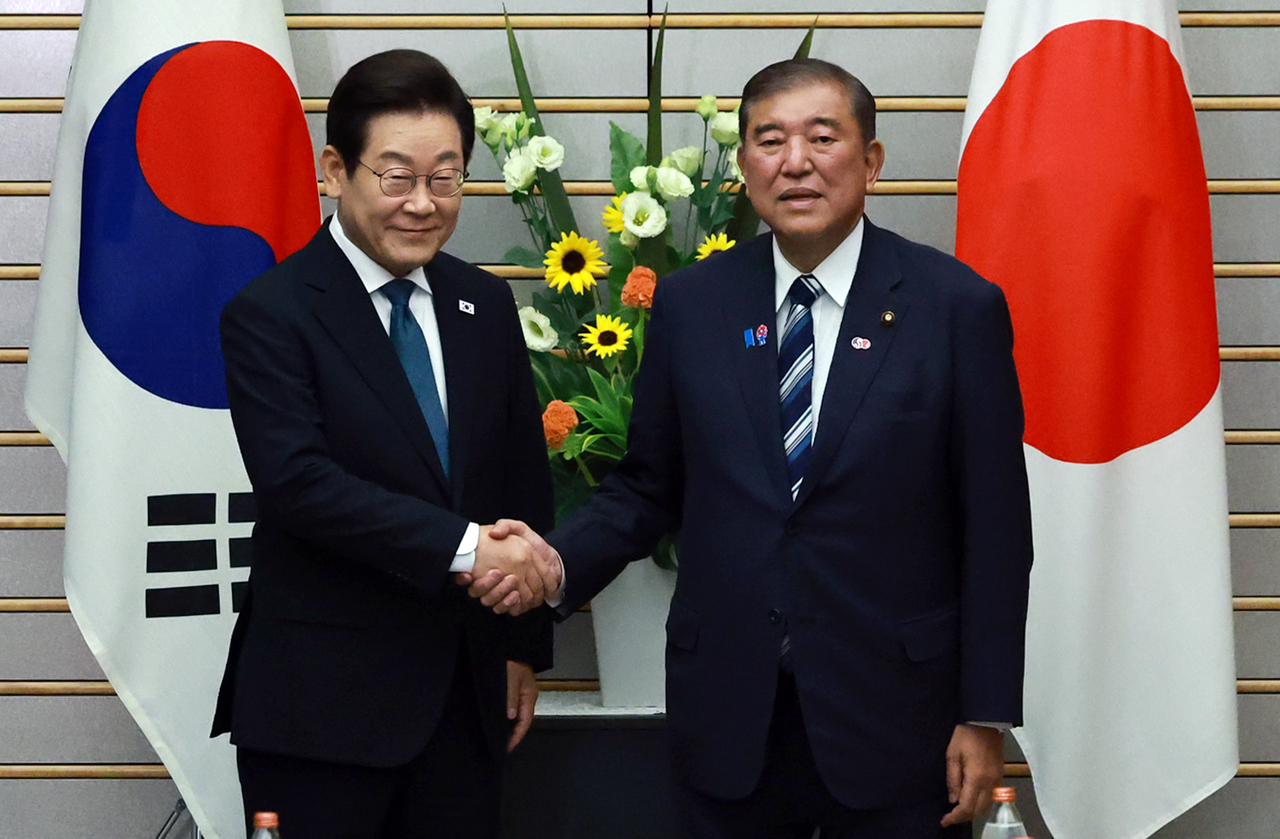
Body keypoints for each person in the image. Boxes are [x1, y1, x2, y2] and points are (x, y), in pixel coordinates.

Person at [469, 58, 1033, 838]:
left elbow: (997, 529)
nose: (794, 161)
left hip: (899, 718)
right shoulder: (693, 304)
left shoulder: (955, 307)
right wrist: (554, 565)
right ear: (743, 167)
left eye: (822, 137)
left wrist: (985, 712)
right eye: (769, 140)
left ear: (870, 160)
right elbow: (646, 486)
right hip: (730, 711)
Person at [210, 49, 560, 839]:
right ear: (335, 169)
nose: (423, 204)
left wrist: (519, 643)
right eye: (395, 177)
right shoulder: (271, 312)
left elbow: (516, 479)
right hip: (319, 716)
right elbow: (300, 485)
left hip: (467, 702)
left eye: (446, 177)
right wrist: (471, 549)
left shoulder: (484, 302)